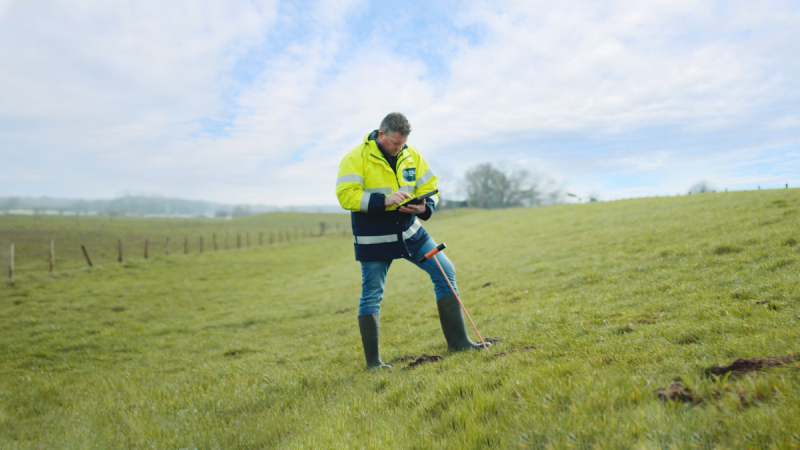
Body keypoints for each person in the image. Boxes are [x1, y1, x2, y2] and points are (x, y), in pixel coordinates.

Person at [336, 112, 490, 370]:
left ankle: (459, 342)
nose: (399, 148)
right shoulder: (354, 158)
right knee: (371, 296)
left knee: (446, 271)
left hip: (411, 232)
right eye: (395, 144)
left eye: (402, 144)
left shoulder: (412, 154)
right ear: (381, 134)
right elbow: (345, 195)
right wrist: (383, 201)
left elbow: (430, 185)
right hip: (375, 239)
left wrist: (423, 207)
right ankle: (374, 364)